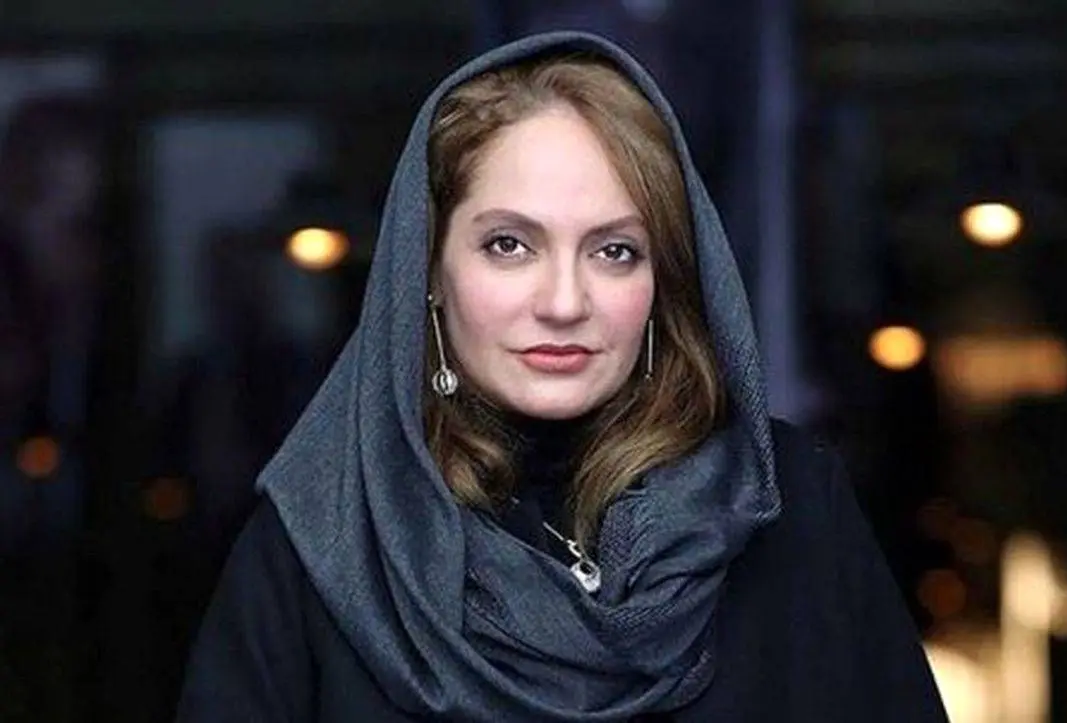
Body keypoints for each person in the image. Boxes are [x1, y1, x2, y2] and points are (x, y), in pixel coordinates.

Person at [176, 31, 947, 722]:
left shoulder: (782, 504)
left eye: (614, 251)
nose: (564, 302)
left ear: (663, 279)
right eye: (510, 245)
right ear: (429, 270)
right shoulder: (326, 540)